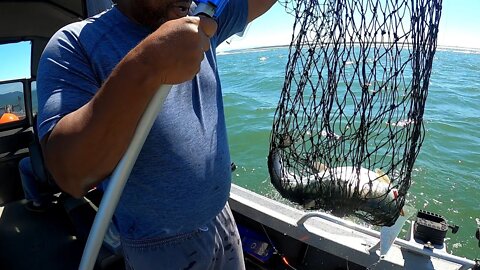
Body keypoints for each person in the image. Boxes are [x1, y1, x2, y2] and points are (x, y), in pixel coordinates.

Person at [36, 0, 276, 269]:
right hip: (157, 246)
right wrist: (147, 65)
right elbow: (70, 174)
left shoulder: (202, 17)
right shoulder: (72, 44)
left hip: (223, 219)